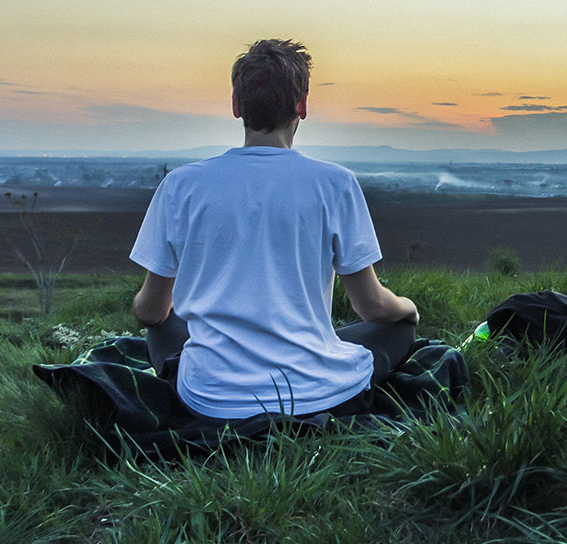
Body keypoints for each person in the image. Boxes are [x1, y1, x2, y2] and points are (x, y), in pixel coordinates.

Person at [129, 39, 418, 421]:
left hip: (210, 399)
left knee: (165, 323)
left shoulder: (181, 186)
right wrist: (408, 309)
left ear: (236, 106)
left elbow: (150, 312)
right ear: (302, 105)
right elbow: (372, 307)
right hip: (317, 393)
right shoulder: (335, 183)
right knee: (397, 329)